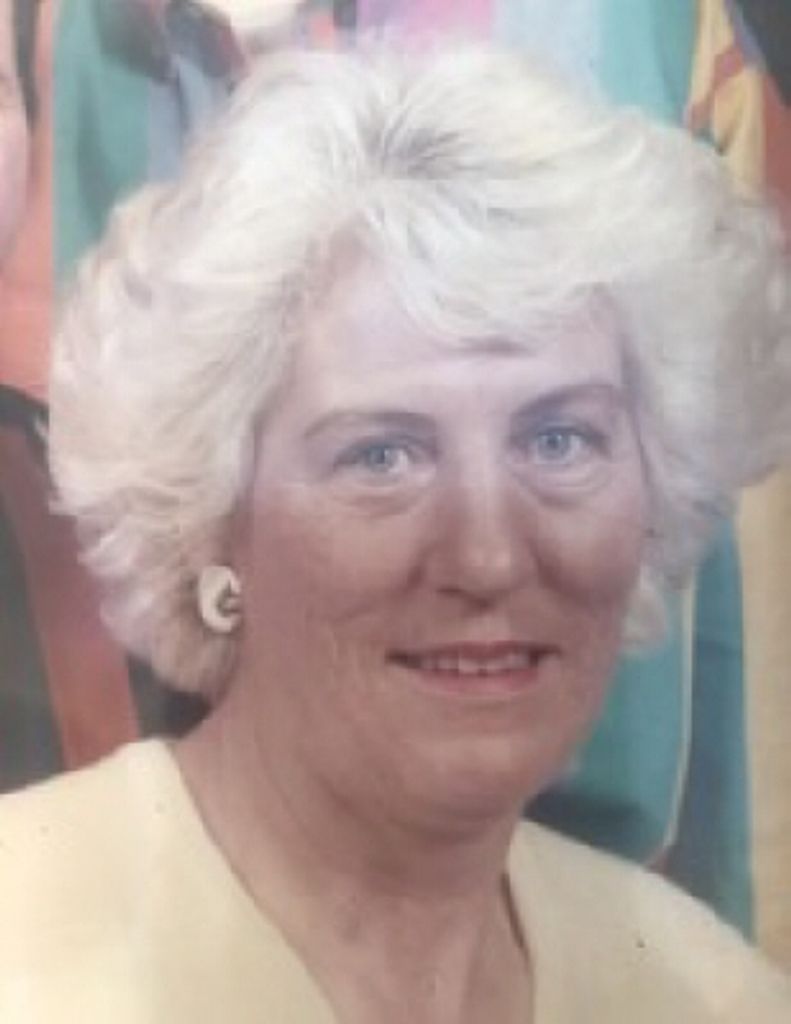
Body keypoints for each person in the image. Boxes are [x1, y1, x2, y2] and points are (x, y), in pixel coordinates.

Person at [1, 43, 790, 1022]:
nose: (486, 555)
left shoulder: (711, 995)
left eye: (557, 439)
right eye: (382, 456)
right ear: (209, 521)